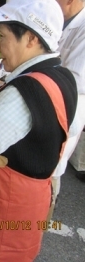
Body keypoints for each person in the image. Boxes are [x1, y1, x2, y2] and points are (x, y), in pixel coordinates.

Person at [0, 0, 77, 261]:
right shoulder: (62, 76)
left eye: (3, 36)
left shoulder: (24, 92)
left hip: (5, 212)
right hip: (29, 203)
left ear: (30, 38)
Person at [51, 0, 85, 205]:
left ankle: (43, 212)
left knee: (52, 169)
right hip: (53, 102)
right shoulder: (62, 20)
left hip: (67, 107)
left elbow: (77, 79)